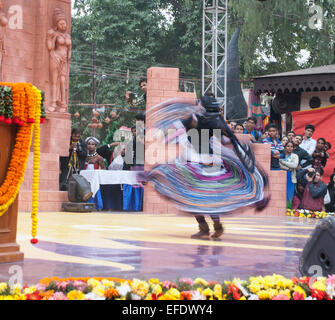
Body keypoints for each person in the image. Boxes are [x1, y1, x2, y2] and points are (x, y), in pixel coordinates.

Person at [141, 96, 269, 240]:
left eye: (199, 104)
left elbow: (180, 125)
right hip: (203, 160)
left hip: (198, 161)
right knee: (204, 199)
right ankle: (214, 226)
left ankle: (206, 228)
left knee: (196, 198)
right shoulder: (214, 120)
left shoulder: (197, 118)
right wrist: (245, 156)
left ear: (202, 106)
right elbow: (227, 139)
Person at [279, 141, 299, 209]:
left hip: (290, 177)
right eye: (288, 146)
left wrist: (283, 163)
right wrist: (288, 166)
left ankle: (288, 210)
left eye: (291, 147)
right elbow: (279, 165)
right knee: (280, 193)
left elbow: (294, 165)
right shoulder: (281, 155)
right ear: (285, 147)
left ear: (293, 148)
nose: (290, 148)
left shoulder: (294, 156)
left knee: (289, 194)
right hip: (280, 176)